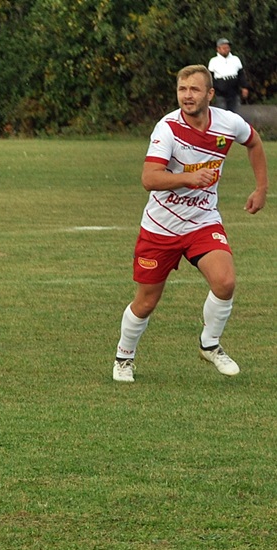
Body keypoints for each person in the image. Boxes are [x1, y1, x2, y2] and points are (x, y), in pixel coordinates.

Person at [111, 65, 266, 383]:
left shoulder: (228, 123)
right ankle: (123, 358)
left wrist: (261, 188)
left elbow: (254, 143)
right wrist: (189, 178)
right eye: (182, 89)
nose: (187, 96)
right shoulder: (167, 128)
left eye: (194, 90)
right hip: (160, 227)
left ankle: (210, 345)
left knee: (225, 282)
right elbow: (149, 178)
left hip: (202, 222)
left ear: (210, 94)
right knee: (146, 301)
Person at [207, 38, 248, 113]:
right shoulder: (213, 61)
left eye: (227, 48)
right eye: (224, 48)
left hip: (234, 91)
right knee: (222, 113)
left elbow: (241, 75)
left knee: (235, 113)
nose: (226, 50)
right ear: (218, 49)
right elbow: (210, 77)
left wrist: (244, 87)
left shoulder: (235, 59)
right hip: (220, 92)